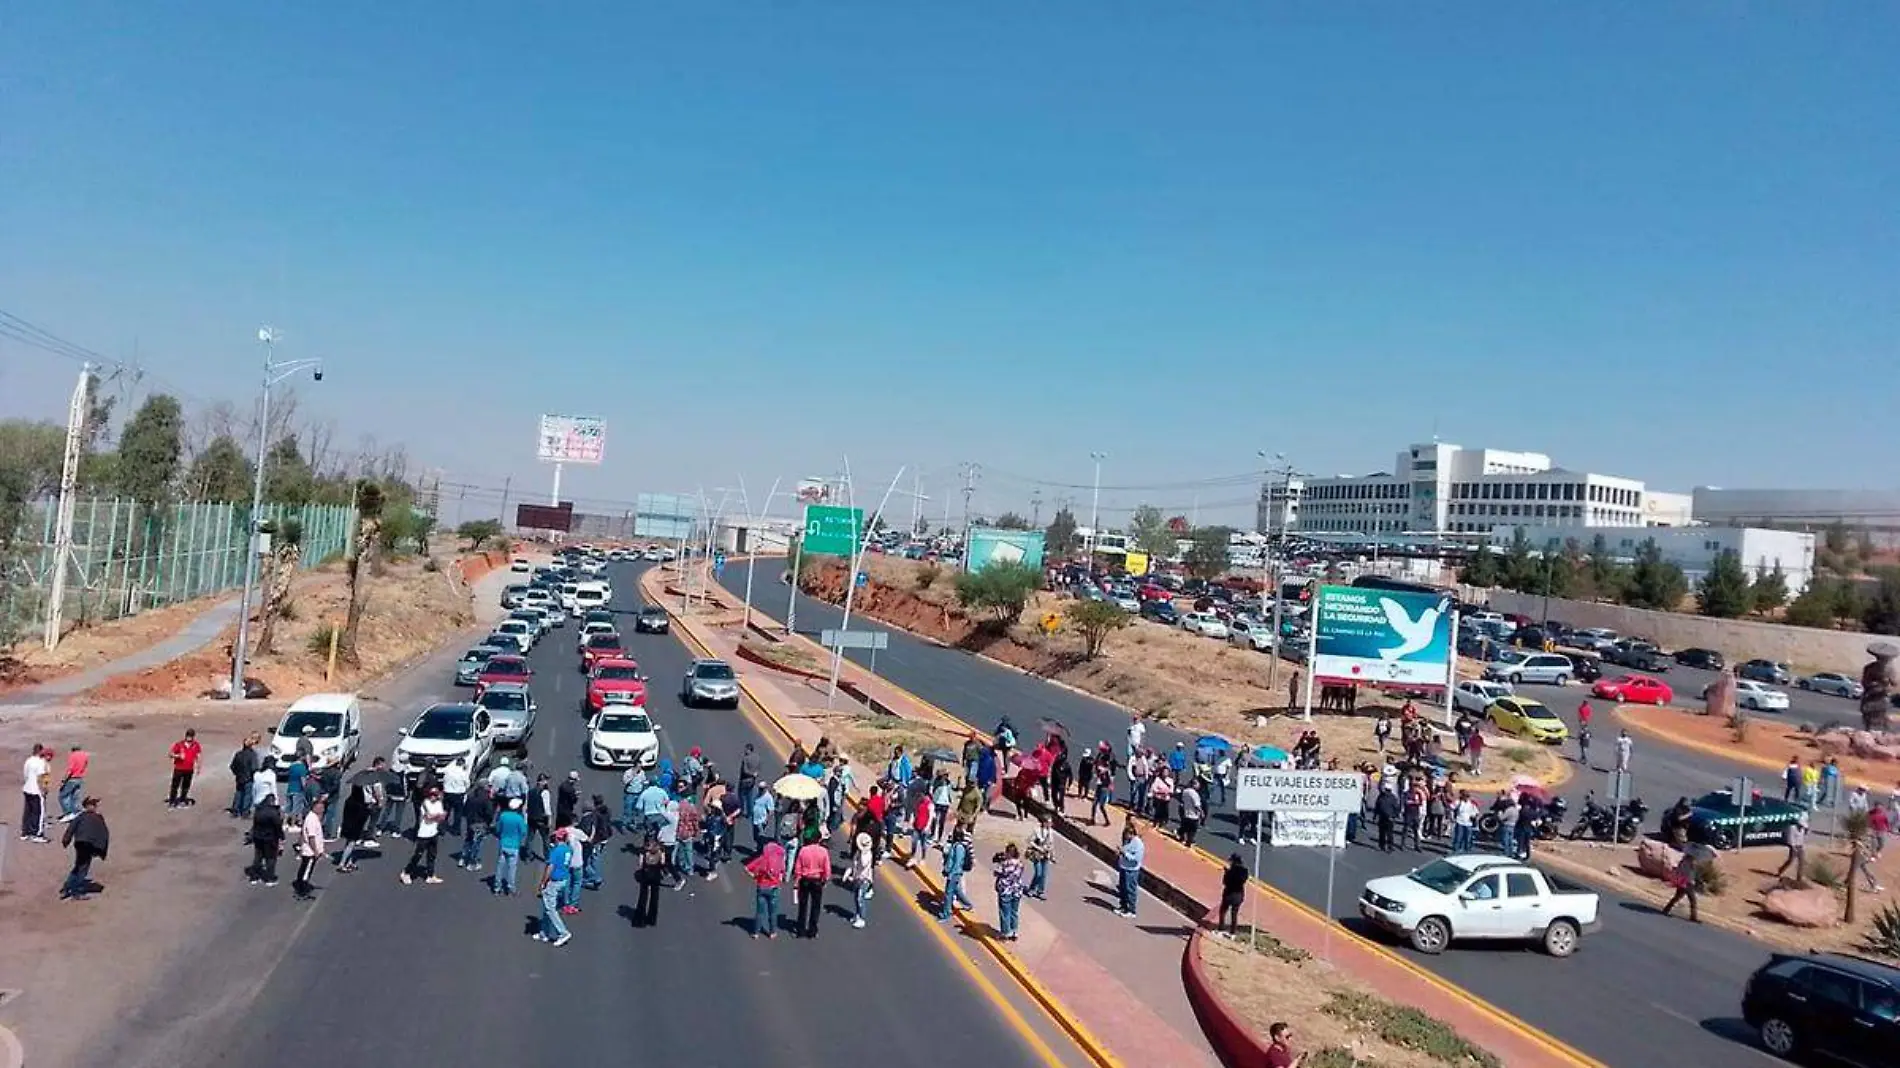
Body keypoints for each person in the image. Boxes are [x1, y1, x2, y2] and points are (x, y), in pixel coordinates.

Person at [59, 796, 110, 900]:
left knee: (78, 865)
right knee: (83, 868)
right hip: (89, 845)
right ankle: (76, 892)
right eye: (94, 805)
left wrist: (66, 841)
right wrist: (101, 851)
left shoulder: (80, 817)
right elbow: (104, 834)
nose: (95, 807)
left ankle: (67, 887)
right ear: (91, 806)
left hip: (80, 844)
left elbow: (71, 829)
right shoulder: (98, 818)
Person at [401, 786, 446, 885]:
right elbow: (428, 818)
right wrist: (437, 816)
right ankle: (406, 872)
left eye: (435, 795)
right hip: (424, 834)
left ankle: (430, 875)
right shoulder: (425, 804)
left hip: (434, 832)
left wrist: (436, 816)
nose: (433, 797)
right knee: (418, 855)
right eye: (431, 795)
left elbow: (442, 817)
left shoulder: (439, 803)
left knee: (432, 855)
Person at [536, 830, 574, 947]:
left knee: (550, 909)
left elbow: (550, 867)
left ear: (557, 838)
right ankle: (544, 932)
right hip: (563, 879)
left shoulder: (556, 851)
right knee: (546, 906)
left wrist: (543, 882)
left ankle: (563, 932)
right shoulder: (568, 849)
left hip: (554, 881)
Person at [746, 836, 786, 938]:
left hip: (762, 887)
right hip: (774, 887)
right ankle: (772, 932)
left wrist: (755, 876)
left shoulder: (762, 859)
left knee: (760, 911)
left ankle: (755, 932)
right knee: (773, 911)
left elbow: (747, 868)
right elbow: (782, 873)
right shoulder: (779, 859)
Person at [793, 832, 830, 938]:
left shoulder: (803, 850)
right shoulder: (823, 851)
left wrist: (797, 880)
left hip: (805, 880)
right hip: (817, 881)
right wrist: (825, 880)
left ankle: (800, 930)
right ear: (819, 840)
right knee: (816, 906)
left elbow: (798, 868)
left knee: (803, 905)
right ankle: (812, 930)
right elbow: (827, 869)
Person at [1660, 832, 1703, 923]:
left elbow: (1681, 870)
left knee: (1677, 896)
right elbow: (1689, 873)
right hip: (1687, 882)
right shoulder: (1690, 863)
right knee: (1692, 900)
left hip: (1682, 881)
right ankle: (1693, 917)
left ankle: (1667, 909)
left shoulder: (1685, 861)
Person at [939, 825, 976, 920]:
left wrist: (951, 874)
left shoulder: (959, 848)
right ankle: (968, 904)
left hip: (954, 873)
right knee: (956, 890)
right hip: (952, 872)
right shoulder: (955, 845)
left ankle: (946, 913)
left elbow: (957, 863)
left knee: (948, 893)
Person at [248, 793, 285, 886]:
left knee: (258, 857)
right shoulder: (273, 813)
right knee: (271, 858)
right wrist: (282, 836)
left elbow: (254, 824)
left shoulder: (258, 810)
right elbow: (278, 826)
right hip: (270, 838)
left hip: (258, 837)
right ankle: (270, 878)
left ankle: (254, 877)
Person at [293, 798, 326, 900]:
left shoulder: (313, 817)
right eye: (321, 808)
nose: (323, 810)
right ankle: (302, 891)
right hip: (310, 852)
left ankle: (301, 887)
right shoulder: (311, 820)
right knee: (306, 872)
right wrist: (316, 851)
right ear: (315, 807)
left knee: (305, 869)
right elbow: (311, 837)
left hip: (310, 851)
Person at [992, 841, 1025, 941]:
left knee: (1004, 912)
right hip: (1017, 890)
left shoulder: (1005, 864)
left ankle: (1005, 933)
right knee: (1014, 912)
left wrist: (1000, 862)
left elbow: (996, 872)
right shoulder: (1020, 863)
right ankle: (1014, 931)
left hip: (1006, 890)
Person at [494, 797, 527, 895]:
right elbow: (523, 831)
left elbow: (498, 829)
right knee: (512, 868)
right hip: (514, 845)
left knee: (500, 866)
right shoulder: (519, 818)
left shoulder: (503, 816)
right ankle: (510, 887)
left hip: (503, 843)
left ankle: (497, 887)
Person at [457, 784, 494, 873]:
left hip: (470, 821)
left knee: (468, 839)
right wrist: (488, 823)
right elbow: (489, 812)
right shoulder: (486, 799)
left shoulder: (471, 796)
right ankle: (472, 862)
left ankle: (462, 858)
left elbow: (465, 810)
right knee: (477, 843)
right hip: (480, 822)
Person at [20, 743, 51, 844]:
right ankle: (36, 834)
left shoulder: (28, 760)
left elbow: (25, 774)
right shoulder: (40, 763)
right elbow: (41, 777)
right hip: (36, 790)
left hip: (27, 788)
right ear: (41, 751)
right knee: (37, 812)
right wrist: (44, 789)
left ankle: (25, 832)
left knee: (28, 811)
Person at [634, 835, 666, 928]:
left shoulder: (643, 850)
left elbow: (640, 864)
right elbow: (663, 863)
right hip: (656, 874)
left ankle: (640, 920)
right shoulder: (661, 849)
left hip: (646, 873)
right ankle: (652, 919)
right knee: (655, 896)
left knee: (643, 896)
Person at [166, 729, 203, 808]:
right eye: (188, 736)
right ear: (186, 736)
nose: (189, 738)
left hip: (189, 769)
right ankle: (172, 801)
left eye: (191, 736)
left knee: (186, 786)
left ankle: (183, 799)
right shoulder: (179, 744)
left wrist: (198, 767)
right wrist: (178, 756)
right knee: (175, 785)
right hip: (179, 768)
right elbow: (170, 754)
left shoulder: (196, 745)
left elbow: (198, 756)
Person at [227, 734, 261, 818]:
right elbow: (254, 768)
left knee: (238, 793)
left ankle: (235, 810)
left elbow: (232, 766)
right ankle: (245, 811)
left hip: (239, 778)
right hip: (248, 778)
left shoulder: (238, 754)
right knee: (248, 795)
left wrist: (237, 774)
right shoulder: (252, 755)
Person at [847, 832, 875, 929]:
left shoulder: (867, 856)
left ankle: (862, 918)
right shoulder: (858, 853)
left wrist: (854, 877)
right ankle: (857, 915)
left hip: (864, 880)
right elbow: (854, 864)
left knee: (860, 899)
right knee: (856, 897)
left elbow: (863, 866)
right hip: (857, 878)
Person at [1115, 825, 1144, 918]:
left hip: (1131, 870)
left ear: (1131, 834)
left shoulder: (1138, 844)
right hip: (1124, 867)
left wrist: (1125, 854)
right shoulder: (1127, 841)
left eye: (1126, 835)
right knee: (1122, 888)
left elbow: (1136, 859)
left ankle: (1131, 910)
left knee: (1130, 889)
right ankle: (1123, 906)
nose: (1125, 837)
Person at [57, 744, 89, 823]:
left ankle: (69, 813)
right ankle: (76, 812)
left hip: (72, 778)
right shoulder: (84, 755)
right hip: (79, 778)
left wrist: (63, 780)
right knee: (75, 797)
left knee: (63, 796)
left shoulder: (73, 756)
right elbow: (85, 765)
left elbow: (70, 770)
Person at [1218, 853, 1248, 936]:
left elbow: (1225, 882)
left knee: (1223, 911)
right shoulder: (1245, 871)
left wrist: (1227, 872)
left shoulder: (1231, 871)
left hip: (1229, 894)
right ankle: (1233, 932)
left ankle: (1221, 928)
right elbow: (1243, 880)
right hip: (1239, 895)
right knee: (1234, 913)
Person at [1025, 815, 1054, 900]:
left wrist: (1052, 854)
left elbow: (1051, 844)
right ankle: (1032, 889)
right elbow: (1029, 841)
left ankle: (1040, 891)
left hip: (1046, 855)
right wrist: (1039, 848)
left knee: (1044, 874)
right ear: (1044, 822)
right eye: (1049, 822)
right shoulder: (1037, 831)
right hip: (1037, 854)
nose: (1051, 824)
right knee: (1038, 873)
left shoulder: (1051, 832)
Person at [1773, 812, 1807, 882]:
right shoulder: (1792, 828)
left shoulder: (1803, 830)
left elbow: (1802, 838)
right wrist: (1793, 848)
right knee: (1790, 861)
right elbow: (1791, 839)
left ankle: (1799, 878)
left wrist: (1802, 847)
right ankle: (1781, 870)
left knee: (1802, 862)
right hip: (1793, 846)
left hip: (1800, 846)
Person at [442, 757, 471, 837]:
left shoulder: (448, 771)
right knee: (458, 813)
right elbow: (467, 784)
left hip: (447, 793)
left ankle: (442, 828)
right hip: (458, 794)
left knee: (446, 811)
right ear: (463, 764)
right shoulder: (463, 773)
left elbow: (444, 780)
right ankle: (456, 830)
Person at [1178, 779, 1204, 848]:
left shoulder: (1185, 791)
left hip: (1186, 813)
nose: (1199, 785)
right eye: (1197, 784)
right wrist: (1201, 812)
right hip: (1193, 815)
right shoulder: (1194, 794)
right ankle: (1189, 842)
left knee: (1185, 827)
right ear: (1194, 785)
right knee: (1192, 831)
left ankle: (1181, 836)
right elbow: (1197, 805)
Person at [1373, 787, 1400, 853]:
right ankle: (1381, 846)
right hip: (1382, 817)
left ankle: (1390, 846)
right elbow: (1377, 806)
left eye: (1386, 790)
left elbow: (1396, 808)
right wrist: (1375, 816)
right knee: (1381, 832)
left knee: (1389, 833)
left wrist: (1394, 816)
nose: (1384, 791)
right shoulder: (1380, 796)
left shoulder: (1393, 798)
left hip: (1389, 818)